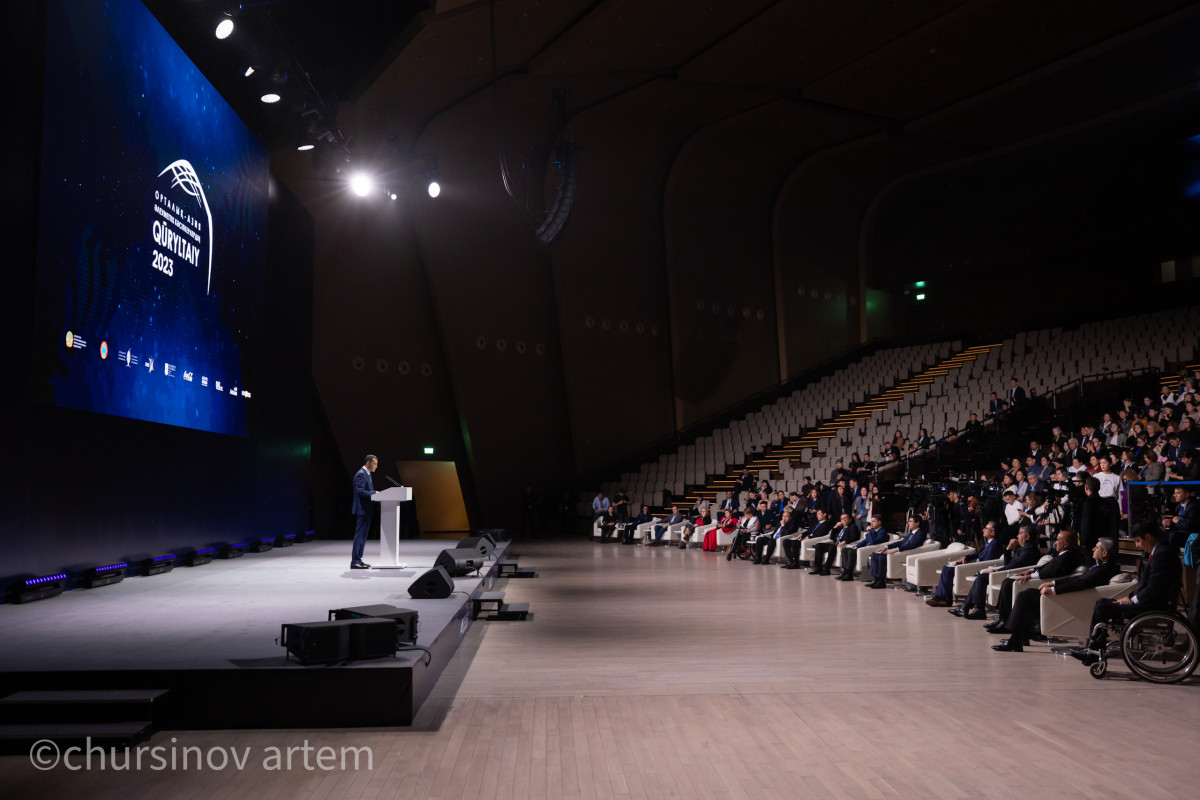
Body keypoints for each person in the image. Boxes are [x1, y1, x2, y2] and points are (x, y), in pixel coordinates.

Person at [1070, 522, 1183, 665]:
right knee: (1102, 602)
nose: (1137, 545)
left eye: (1137, 541)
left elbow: (1154, 588)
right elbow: (1147, 585)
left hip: (1152, 606)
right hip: (1151, 602)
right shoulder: (1160, 551)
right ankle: (1094, 649)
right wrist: (1129, 597)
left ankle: (1093, 651)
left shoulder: (1162, 554)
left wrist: (1132, 601)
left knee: (1103, 606)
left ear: (1148, 537)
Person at [992, 538, 1121, 652]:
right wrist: (1052, 584)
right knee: (1026, 594)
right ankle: (1020, 637)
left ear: (1104, 553)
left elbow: (1081, 585)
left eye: (1097, 547)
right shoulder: (1101, 566)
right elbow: (1076, 579)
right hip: (1069, 595)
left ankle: (1016, 640)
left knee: (1024, 597)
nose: (1093, 549)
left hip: (1071, 600)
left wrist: (1054, 590)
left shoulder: (1106, 569)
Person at [985, 529, 1084, 628]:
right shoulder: (1064, 554)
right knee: (1007, 582)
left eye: (1058, 540)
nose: (1055, 542)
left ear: (1066, 544)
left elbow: (1053, 571)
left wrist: (1031, 576)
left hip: (1043, 582)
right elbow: (1048, 566)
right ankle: (1003, 618)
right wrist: (1031, 570)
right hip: (1040, 577)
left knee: (1008, 583)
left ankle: (1005, 621)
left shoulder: (1070, 556)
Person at [949, 524, 1040, 619]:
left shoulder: (1029, 550)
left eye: (1020, 533)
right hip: (1008, 572)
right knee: (980, 578)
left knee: (981, 578)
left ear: (1027, 537)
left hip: (1012, 575)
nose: (1017, 536)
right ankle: (969, 608)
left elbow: (1012, 567)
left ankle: (976, 609)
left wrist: (997, 571)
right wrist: (1009, 548)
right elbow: (1008, 564)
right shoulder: (1023, 548)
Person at [925, 521, 1003, 606]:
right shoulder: (989, 543)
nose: (983, 530)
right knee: (946, 568)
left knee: (947, 570)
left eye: (986, 528)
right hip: (975, 565)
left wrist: (969, 564)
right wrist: (966, 557)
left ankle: (944, 599)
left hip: (978, 568)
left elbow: (987, 561)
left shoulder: (995, 543)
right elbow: (980, 554)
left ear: (992, 532)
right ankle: (941, 597)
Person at [865, 514, 927, 588]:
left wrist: (896, 549)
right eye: (908, 521)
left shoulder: (921, 533)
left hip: (906, 553)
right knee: (874, 555)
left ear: (917, 523)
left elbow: (913, 545)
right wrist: (886, 547)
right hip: (901, 551)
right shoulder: (911, 533)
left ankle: (881, 581)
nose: (908, 523)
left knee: (881, 557)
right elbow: (901, 542)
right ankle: (876, 579)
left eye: (910, 521)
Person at [836, 514, 888, 580]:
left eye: (873, 521)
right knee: (845, 550)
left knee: (851, 552)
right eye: (871, 522)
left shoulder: (882, 532)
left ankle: (849, 574)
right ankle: (845, 572)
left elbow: (873, 542)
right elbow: (865, 541)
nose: (871, 524)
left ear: (879, 522)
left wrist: (869, 531)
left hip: (871, 550)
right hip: (864, 548)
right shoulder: (873, 531)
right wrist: (856, 546)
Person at [350, 454, 378, 569]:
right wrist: (374, 493)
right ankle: (355, 561)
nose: (376, 466)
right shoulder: (361, 474)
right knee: (359, 536)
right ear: (368, 463)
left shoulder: (367, 474)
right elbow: (360, 491)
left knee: (363, 536)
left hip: (366, 509)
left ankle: (359, 560)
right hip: (361, 509)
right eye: (375, 464)